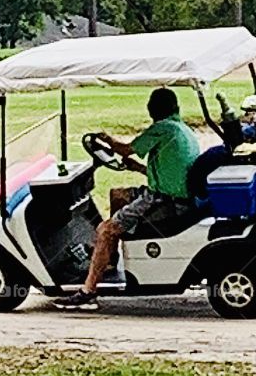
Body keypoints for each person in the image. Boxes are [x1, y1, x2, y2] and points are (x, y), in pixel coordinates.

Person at [56, 87, 200, 311]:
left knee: (104, 229)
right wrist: (139, 169)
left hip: (163, 201)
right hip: (171, 194)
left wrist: (107, 140)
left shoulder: (162, 128)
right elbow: (171, 172)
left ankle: (88, 290)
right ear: (176, 108)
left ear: (152, 110)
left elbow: (126, 149)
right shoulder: (182, 129)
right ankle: (109, 257)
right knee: (117, 195)